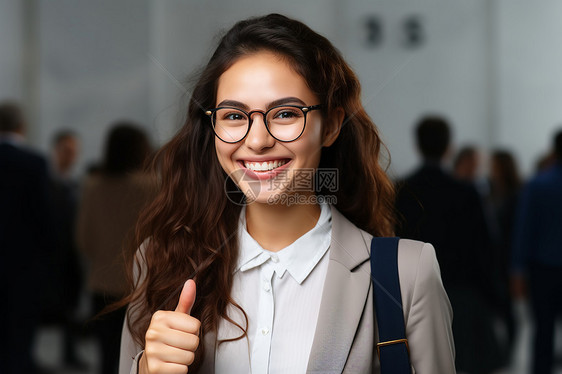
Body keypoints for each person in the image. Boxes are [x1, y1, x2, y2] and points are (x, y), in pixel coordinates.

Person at [118, 14, 455, 374]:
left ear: (332, 125)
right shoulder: (159, 260)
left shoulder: (408, 274)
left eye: (285, 113)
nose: (258, 140)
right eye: (233, 116)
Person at [395, 116, 504, 373]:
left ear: (417, 145)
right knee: (462, 361)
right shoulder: (466, 193)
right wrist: (494, 294)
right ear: (448, 147)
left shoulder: (401, 191)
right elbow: (484, 247)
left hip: (411, 292)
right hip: (461, 290)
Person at [77, 122, 157, 374]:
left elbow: (82, 239)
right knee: (138, 359)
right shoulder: (153, 186)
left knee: (105, 358)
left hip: (101, 284)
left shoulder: (93, 186)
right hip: (142, 285)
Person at [0, 101, 57, 374]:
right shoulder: (33, 163)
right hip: (24, 266)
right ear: (21, 127)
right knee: (20, 338)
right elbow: (43, 217)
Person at [511, 129, 562, 374]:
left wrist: (517, 271)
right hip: (545, 267)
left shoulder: (538, 184)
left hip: (543, 270)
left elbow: (524, 231)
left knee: (543, 332)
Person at [45, 129, 88, 370]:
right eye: (67, 150)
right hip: (50, 255)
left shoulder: (74, 186)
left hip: (70, 256)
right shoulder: (45, 184)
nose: (71, 156)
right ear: (56, 151)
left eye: (74, 152)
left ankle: (69, 351)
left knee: (70, 305)